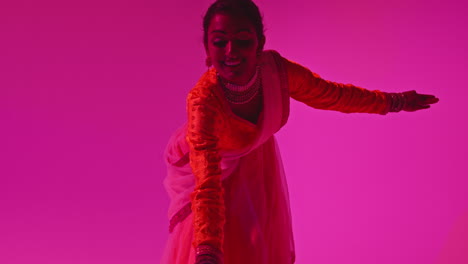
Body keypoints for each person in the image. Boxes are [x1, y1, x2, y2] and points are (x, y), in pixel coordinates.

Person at [161, 0, 439, 263]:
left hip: (256, 161)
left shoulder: (276, 72)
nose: (231, 51)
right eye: (220, 42)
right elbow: (207, 185)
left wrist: (394, 102)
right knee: (220, 244)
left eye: (243, 40)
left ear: (260, 46)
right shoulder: (203, 102)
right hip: (207, 170)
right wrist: (208, 252)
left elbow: (331, 95)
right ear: (208, 50)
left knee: (256, 244)